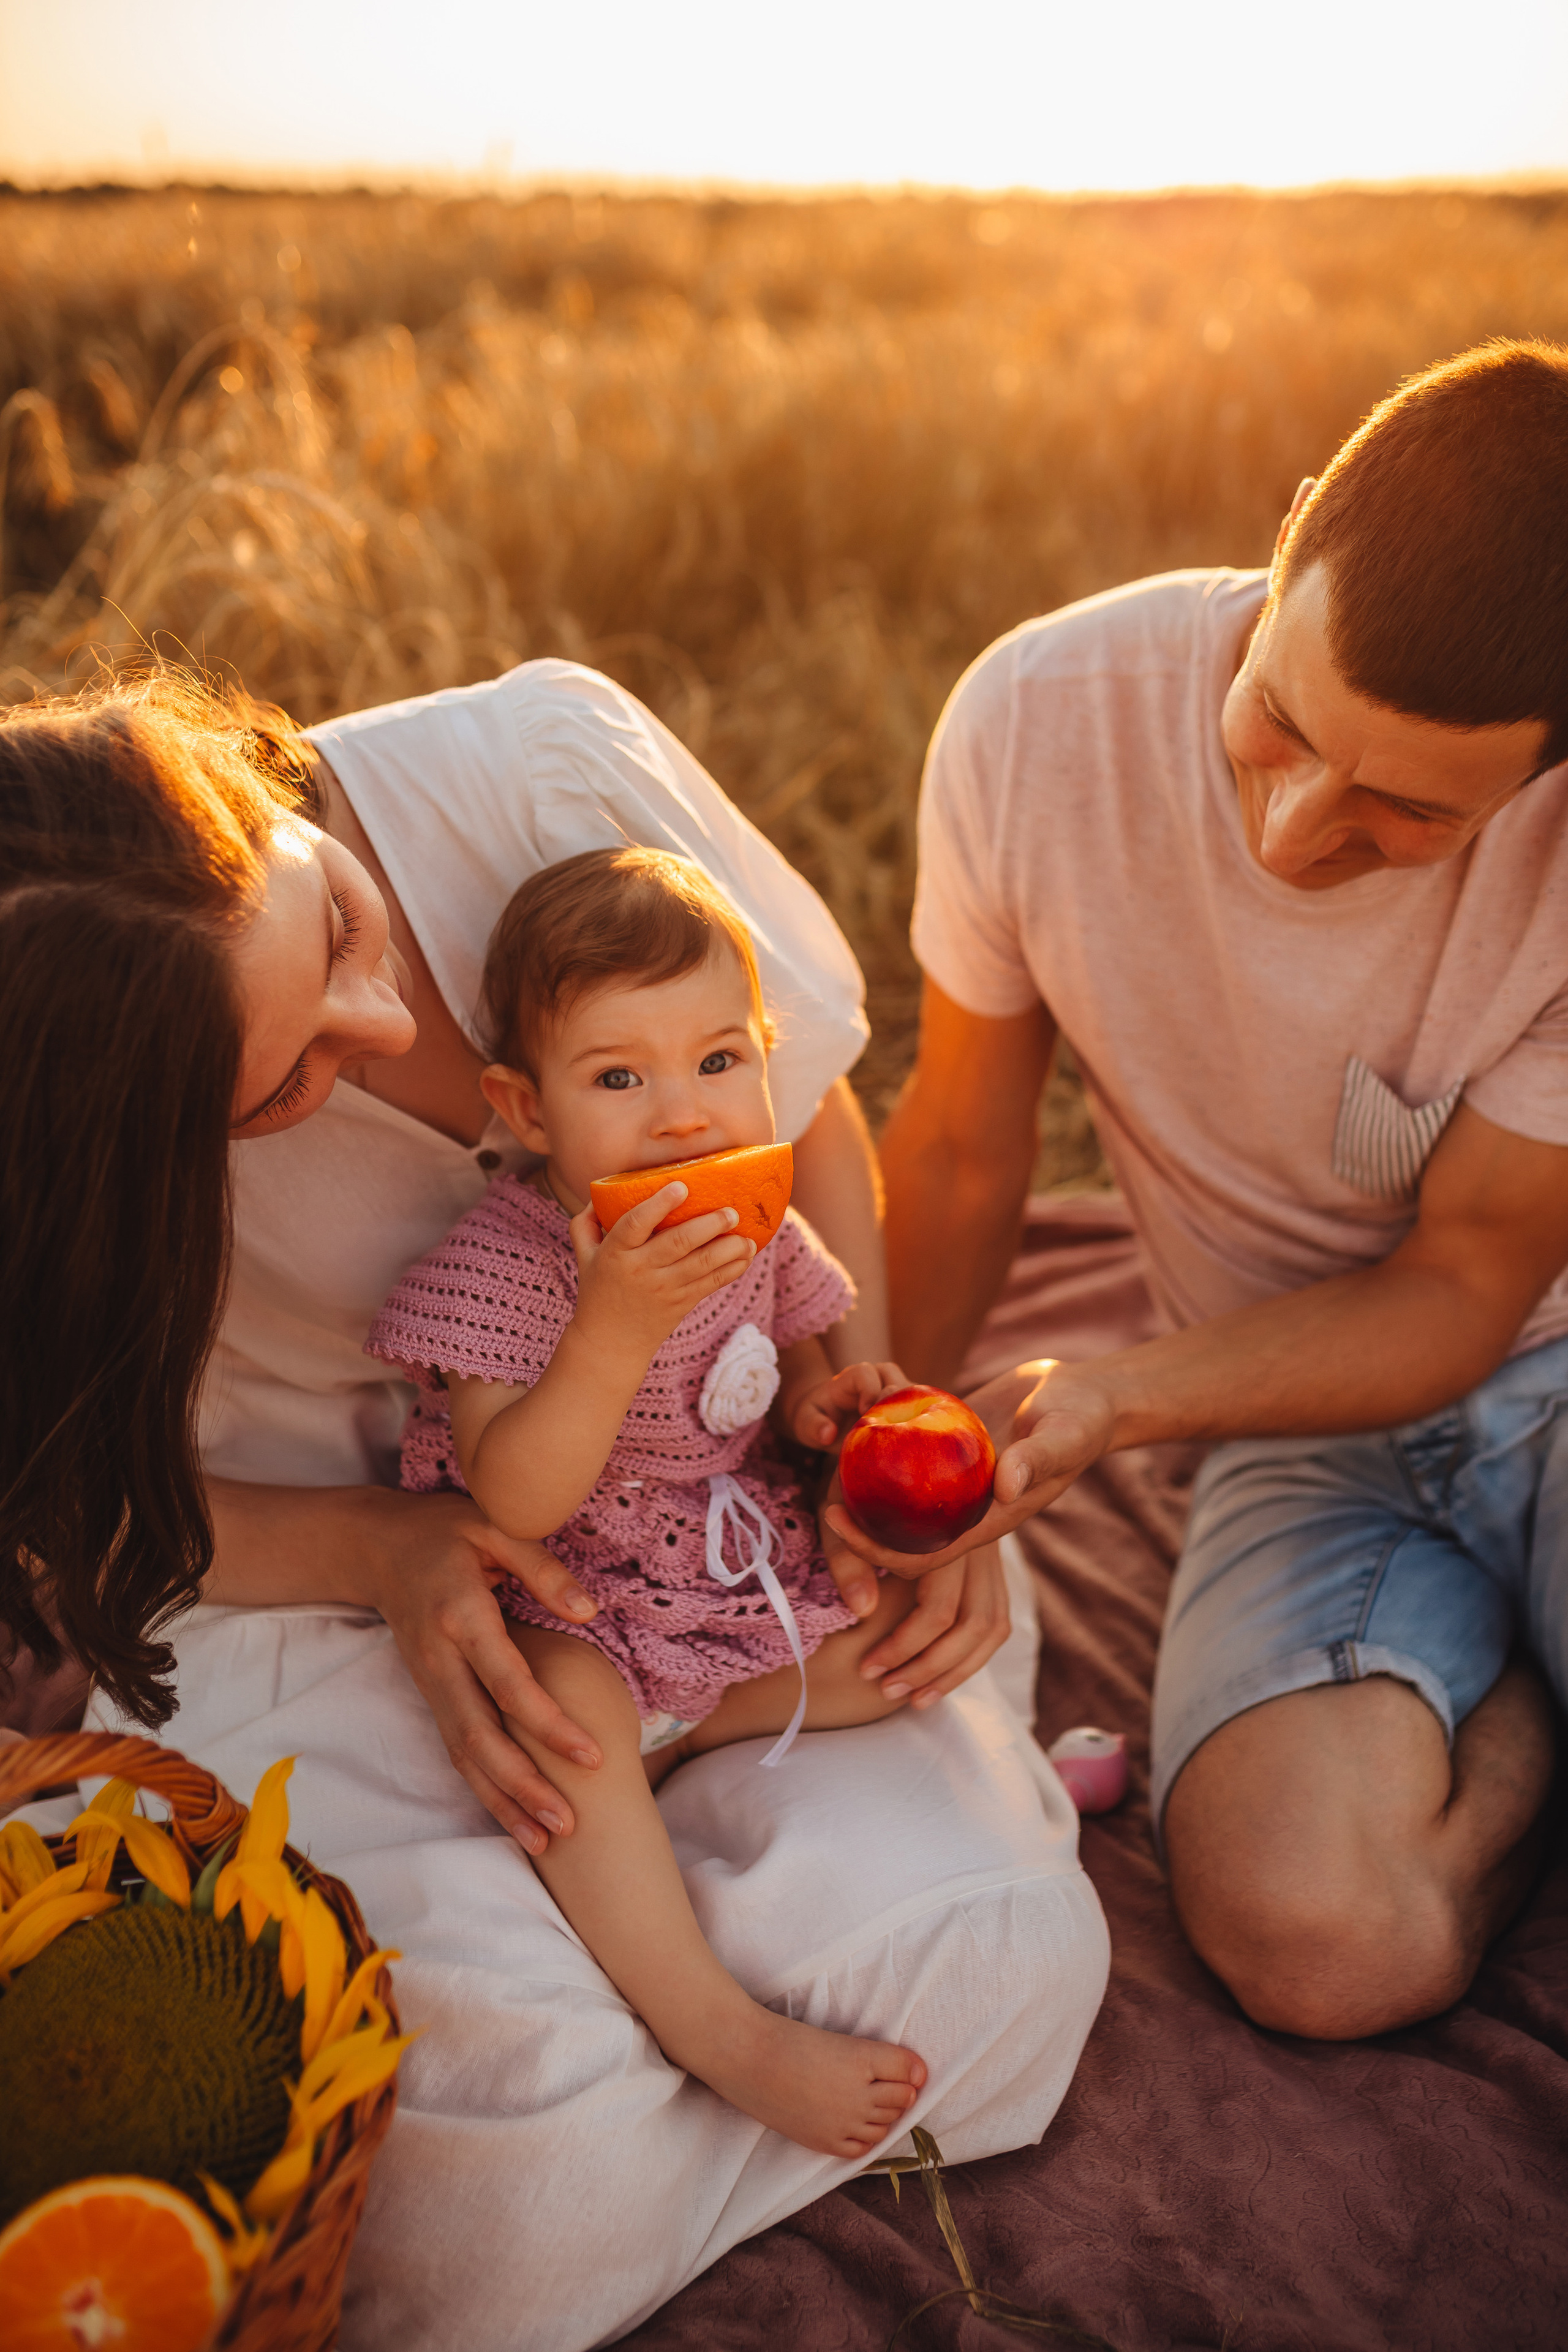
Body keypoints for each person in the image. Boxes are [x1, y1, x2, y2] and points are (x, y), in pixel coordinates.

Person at [2, 657, 1108, 2349]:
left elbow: (804, 1138)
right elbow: (81, 1498)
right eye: (282, 1084)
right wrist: (390, 1549)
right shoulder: (53, 1148)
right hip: (306, 1566)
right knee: (511, 2206)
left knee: (1009, 1958)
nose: (379, 1041)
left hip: (710, 1559)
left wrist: (857, 1451)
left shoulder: (540, 773)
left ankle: (684, 1950)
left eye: (347, 933)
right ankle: (675, 2068)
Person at [870, 339, 1568, 2043]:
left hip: (1541, 1366)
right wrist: (866, 1436)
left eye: (1402, 814)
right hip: (1285, 1415)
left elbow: (1468, 1283)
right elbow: (963, 1147)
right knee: (1327, 1942)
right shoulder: (1032, 723)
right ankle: (1529, 1729)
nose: (1291, 828)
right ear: (1292, 536)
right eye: (1280, 722)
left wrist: (1113, 1400)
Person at [370, 844, 938, 2155]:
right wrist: (613, 1327)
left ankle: (691, 1723)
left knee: (900, 1644)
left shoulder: (755, 1220)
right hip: (566, 1582)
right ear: (522, 1107)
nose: (684, 1114)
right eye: (619, 1078)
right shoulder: (503, 1266)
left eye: (717, 1060)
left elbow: (791, 1373)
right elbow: (513, 1495)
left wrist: (827, 1412)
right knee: (565, 1731)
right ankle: (715, 2029)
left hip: (716, 1555)